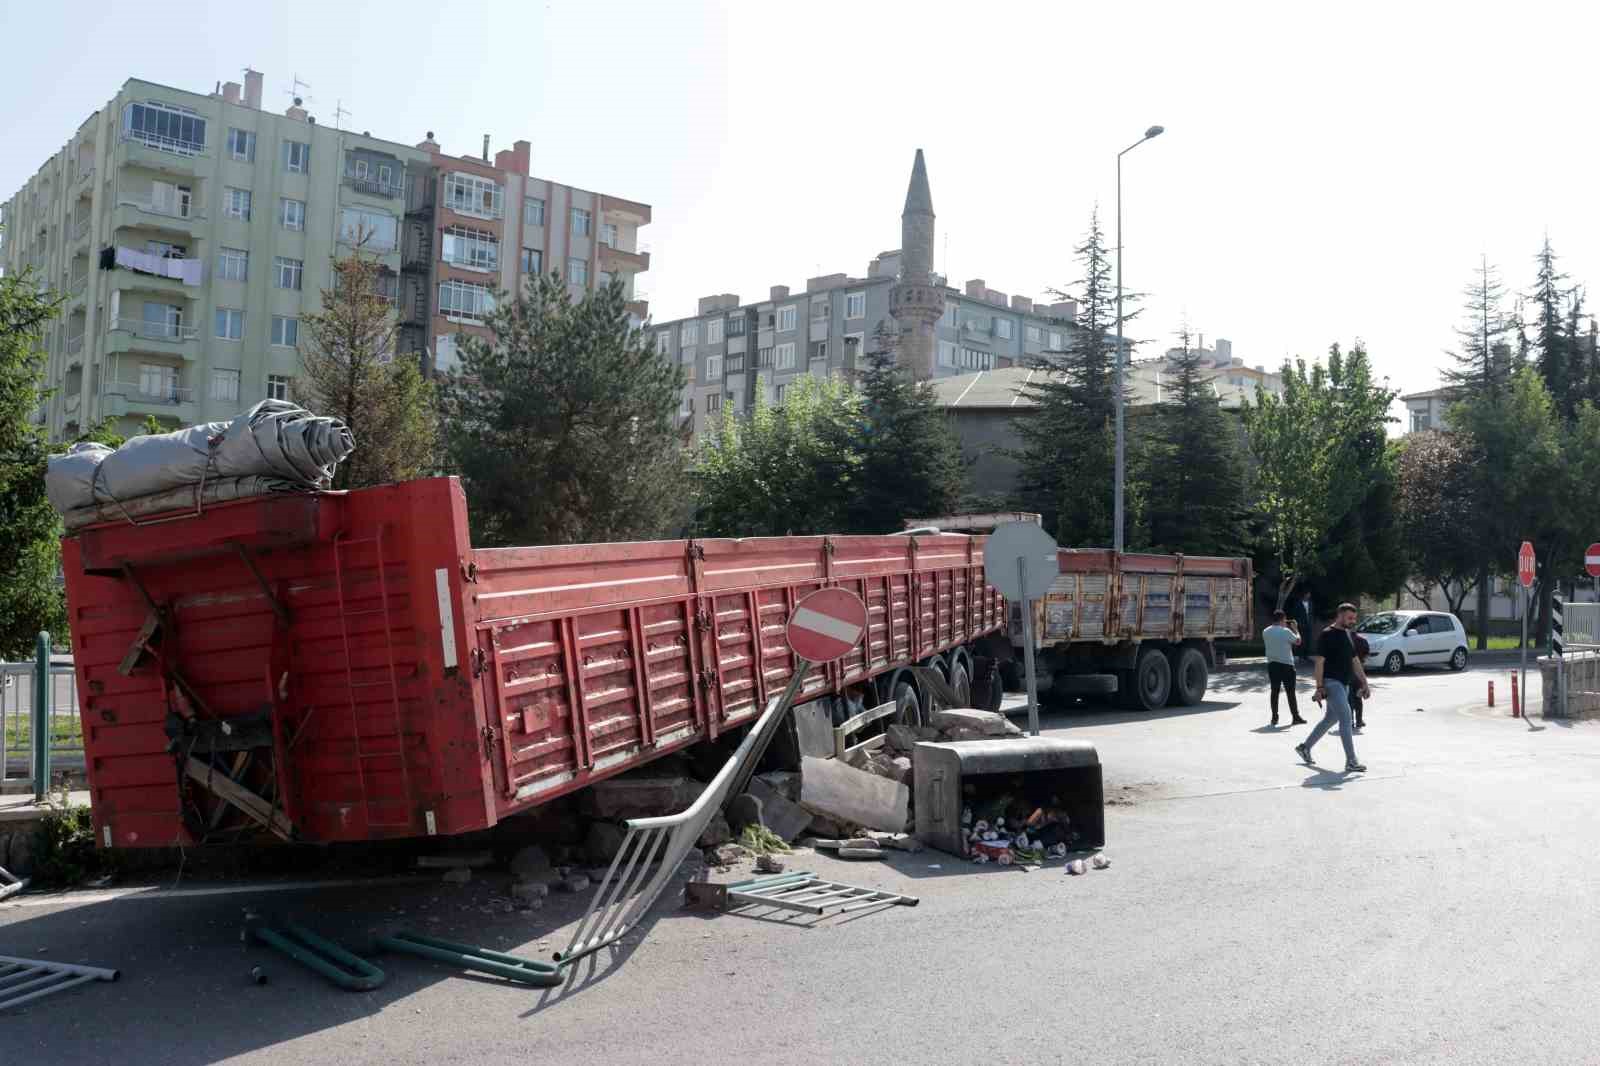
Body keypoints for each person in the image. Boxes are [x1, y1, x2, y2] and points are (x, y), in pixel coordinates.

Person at [1295, 602, 1370, 773]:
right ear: (1340, 615)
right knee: (1345, 719)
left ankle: (1304, 747)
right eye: (1349, 618)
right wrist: (1319, 687)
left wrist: (1364, 682)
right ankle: (1351, 761)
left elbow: (1354, 660)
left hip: (1344, 684)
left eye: (1354, 618)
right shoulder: (1327, 635)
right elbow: (1319, 662)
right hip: (1331, 683)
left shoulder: (1347, 634)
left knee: (1331, 719)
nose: (1352, 621)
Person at [1261, 609, 1306, 727]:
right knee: (1290, 692)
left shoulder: (1265, 631)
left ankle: (1274, 717)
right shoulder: (1286, 631)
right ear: (1282, 619)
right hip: (1287, 665)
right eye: (1284, 620)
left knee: (1274, 691)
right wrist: (1295, 628)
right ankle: (1295, 716)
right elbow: (1298, 641)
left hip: (1272, 665)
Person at [1349, 631, 1370, 731]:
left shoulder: (1346, 640)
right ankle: (1359, 720)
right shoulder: (1363, 640)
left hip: (1347, 671)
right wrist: (1362, 661)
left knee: (1349, 698)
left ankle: (1350, 721)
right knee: (1358, 697)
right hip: (1359, 671)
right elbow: (1366, 654)